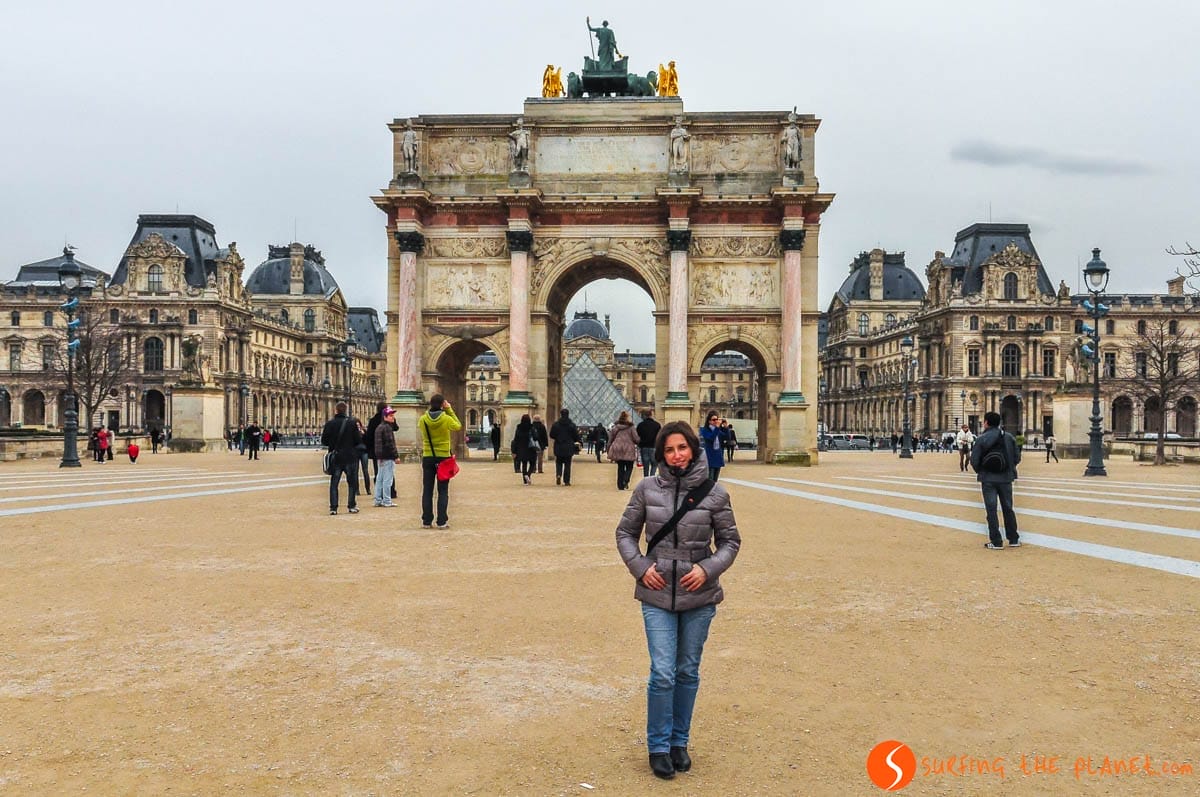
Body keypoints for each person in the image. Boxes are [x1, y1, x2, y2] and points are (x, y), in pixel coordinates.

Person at [615, 420, 741, 780]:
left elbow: (731, 542)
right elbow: (625, 533)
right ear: (661, 454)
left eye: (682, 447)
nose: (676, 455)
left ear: (693, 449)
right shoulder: (646, 488)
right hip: (656, 591)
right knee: (662, 672)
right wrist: (641, 567)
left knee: (687, 671)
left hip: (698, 593)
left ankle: (678, 742)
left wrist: (707, 569)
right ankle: (658, 746)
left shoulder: (715, 494)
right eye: (669, 450)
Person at [970, 411, 1022, 550]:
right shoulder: (1009, 437)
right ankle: (1013, 539)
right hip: (1006, 478)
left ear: (986, 422)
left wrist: (982, 471)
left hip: (988, 479)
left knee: (991, 510)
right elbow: (1017, 458)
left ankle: (996, 541)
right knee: (1008, 508)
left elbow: (974, 460)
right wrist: (1008, 468)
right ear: (999, 423)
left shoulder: (981, 439)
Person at [418, 394, 461, 528]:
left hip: (428, 456)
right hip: (443, 457)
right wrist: (449, 410)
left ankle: (426, 521)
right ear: (443, 404)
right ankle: (441, 521)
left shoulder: (423, 419)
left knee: (427, 490)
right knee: (443, 491)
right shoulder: (446, 418)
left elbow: (422, 432)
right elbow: (458, 426)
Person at [321, 401, 363, 515]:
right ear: (346, 410)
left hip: (336, 457)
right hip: (350, 456)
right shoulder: (352, 423)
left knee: (334, 483)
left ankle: (333, 508)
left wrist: (332, 443)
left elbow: (324, 441)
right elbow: (358, 440)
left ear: (336, 410)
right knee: (351, 483)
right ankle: (351, 505)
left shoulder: (330, 423)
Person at [373, 406, 400, 508]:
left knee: (380, 479)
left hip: (380, 456)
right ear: (385, 417)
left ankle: (378, 499)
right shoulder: (387, 428)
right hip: (388, 456)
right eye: (390, 415)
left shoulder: (379, 427)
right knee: (387, 479)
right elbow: (390, 444)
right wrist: (396, 456)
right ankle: (387, 500)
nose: (393, 417)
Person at [549, 408, 582, 486]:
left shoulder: (556, 424)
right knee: (567, 464)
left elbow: (551, 435)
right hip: (568, 446)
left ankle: (558, 474)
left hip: (558, 446)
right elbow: (576, 436)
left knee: (558, 462)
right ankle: (566, 481)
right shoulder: (572, 425)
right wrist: (576, 441)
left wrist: (558, 437)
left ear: (561, 414)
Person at [607, 411, 639, 490]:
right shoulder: (631, 427)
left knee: (620, 467)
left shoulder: (615, 427)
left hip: (618, 447)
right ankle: (626, 480)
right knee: (629, 466)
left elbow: (610, 439)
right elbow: (636, 439)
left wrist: (608, 449)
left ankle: (620, 485)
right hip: (628, 448)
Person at [698, 411, 728, 481]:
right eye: (714, 420)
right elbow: (711, 438)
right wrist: (717, 428)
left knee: (715, 480)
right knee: (710, 480)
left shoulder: (717, 430)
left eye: (717, 419)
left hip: (717, 457)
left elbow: (727, 437)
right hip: (710, 457)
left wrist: (726, 427)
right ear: (709, 421)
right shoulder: (705, 430)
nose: (716, 421)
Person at [636, 409, 662, 478]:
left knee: (646, 467)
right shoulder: (657, 425)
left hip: (644, 447)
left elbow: (637, 436)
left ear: (644, 415)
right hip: (653, 447)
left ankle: (646, 479)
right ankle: (652, 478)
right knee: (654, 465)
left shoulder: (640, 425)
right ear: (651, 415)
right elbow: (660, 437)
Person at [512, 413, 538, 485]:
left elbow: (516, 439)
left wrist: (514, 450)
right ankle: (528, 475)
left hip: (521, 448)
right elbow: (536, 437)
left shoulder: (519, 428)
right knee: (532, 463)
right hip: (531, 448)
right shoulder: (532, 428)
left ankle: (525, 479)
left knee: (524, 464)